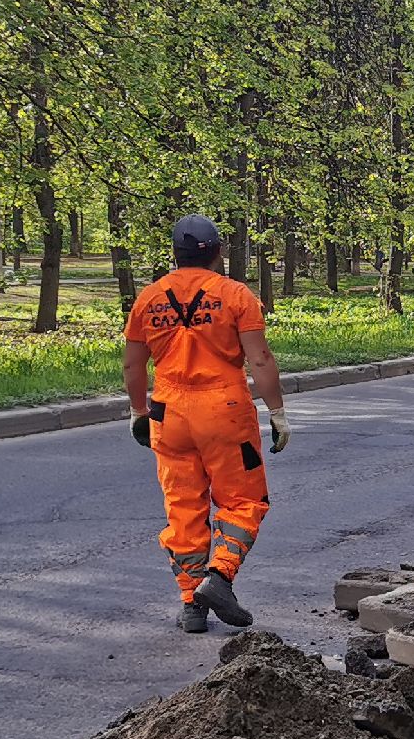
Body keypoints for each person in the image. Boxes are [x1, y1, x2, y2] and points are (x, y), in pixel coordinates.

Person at [122, 215, 291, 633]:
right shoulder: (235, 295)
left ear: (175, 254)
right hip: (224, 409)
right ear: (217, 252)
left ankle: (191, 603)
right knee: (245, 500)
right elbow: (260, 360)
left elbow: (132, 364)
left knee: (183, 508)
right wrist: (277, 412)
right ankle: (219, 577)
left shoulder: (149, 299)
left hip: (169, 413)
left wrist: (138, 412)